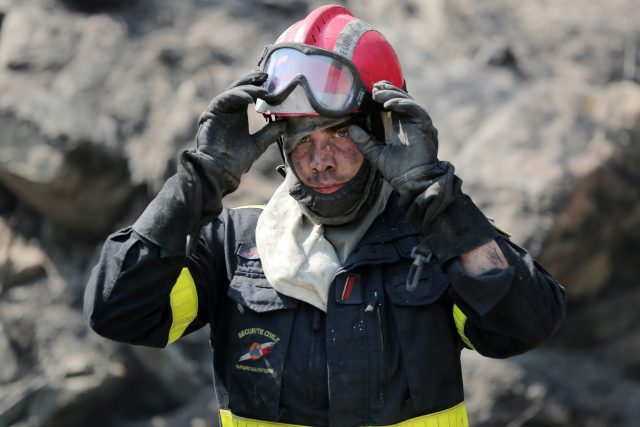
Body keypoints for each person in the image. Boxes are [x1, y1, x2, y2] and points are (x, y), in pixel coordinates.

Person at [84, 5, 566, 426]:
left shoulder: (440, 240)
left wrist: (440, 202)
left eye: (339, 135)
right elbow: (119, 313)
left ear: (382, 130)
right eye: (302, 140)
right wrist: (197, 184)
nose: (321, 161)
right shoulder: (231, 245)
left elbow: (525, 326)